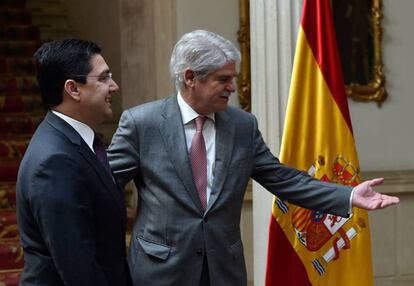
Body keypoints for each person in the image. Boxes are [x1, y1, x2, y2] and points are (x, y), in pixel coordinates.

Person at [107, 30, 399, 286]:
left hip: (224, 270)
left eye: (232, 78)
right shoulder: (141, 123)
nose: (232, 88)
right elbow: (103, 186)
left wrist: (348, 196)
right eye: (223, 79)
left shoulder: (242, 126)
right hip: (160, 271)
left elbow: (282, 178)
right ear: (190, 77)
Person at [16, 39, 132, 285]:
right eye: (103, 78)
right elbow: (78, 267)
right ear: (73, 89)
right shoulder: (55, 161)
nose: (114, 86)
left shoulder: (72, 140)